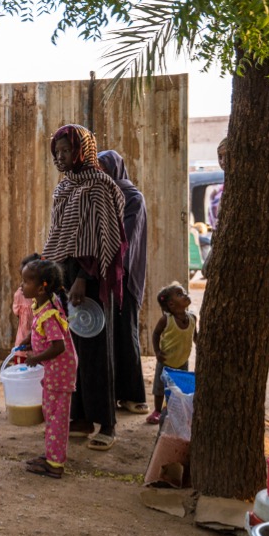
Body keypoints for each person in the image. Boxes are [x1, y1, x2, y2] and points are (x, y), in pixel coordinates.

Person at [42, 124, 126, 451]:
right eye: (57, 152)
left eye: (66, 151)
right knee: (70, 351)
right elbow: (59, 236)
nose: (61, 157)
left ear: (81, 150)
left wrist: (83, 278)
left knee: (95, 352)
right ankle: (80, 418)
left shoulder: (100, 187)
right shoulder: (65, 187)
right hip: (66, 276)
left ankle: (107, 423)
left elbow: (107, 238)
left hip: (89, 278)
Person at [97, 150, 149, 415]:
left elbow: (125, 240)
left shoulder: (132, 198)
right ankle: (115, 393)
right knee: (106, 334)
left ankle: (134, 395)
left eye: (104, 169)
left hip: (124, 275)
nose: (100, 175)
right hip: (105, 272)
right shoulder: (100, 196)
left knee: (125, 332)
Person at [18, 258, 78, 479]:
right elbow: (41, 334)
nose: (22, 286)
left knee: (56, 418)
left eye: (26, 282)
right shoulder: (45, 304)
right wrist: (29, 340)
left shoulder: (49, 314)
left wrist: (36, 357)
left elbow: (58, 345)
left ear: (42, 286)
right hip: (56, 370)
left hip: (59, 372)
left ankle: (55, 464)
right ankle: (52, 455)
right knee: (51, 413)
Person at [148, 282, 197, 424]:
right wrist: (157, 351)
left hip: (182, 360)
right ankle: (157, 410)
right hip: (166, 360)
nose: (185, 295)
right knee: (160, 387)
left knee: (179, 387)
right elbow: (156, 334)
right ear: (171, 305)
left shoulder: (192, 318)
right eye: (180, 294)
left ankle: (173, 410)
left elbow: (195, 335)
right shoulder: (166, 320)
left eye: (184, 292)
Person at [11, 254, 38, 364]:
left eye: (26, 281)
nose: (22, 285)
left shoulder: (48, 306)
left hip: (40, 351)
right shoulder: (19, 294)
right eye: (22, 280)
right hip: (23, 346)